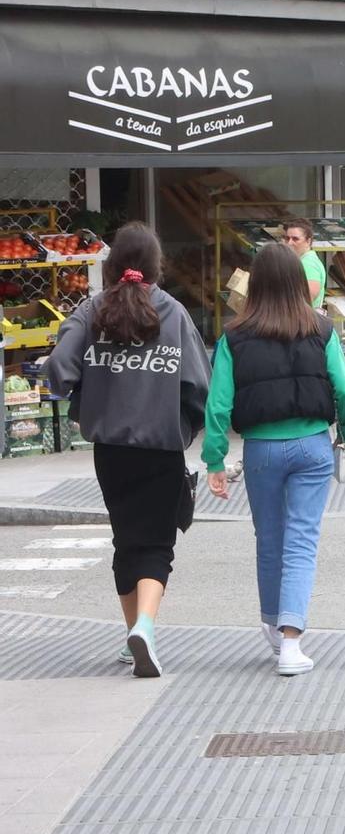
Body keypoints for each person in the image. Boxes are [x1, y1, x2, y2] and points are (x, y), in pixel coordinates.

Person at [44, 223, 211, 678]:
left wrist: (84, 398)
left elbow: (59, 371)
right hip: (160, 446)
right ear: (157, 267)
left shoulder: (92, 309)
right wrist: (188, 426)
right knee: (157, 543)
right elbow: (199, 383)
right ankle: (146, 627)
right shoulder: (173, 312)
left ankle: (132, 634)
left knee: (126, 539)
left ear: (113, 265)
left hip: (111, 449)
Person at [203, 244, 345, 676]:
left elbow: (218, 405)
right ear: (298, 281)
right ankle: (292, 643)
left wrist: (214, 460)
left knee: (269, 537)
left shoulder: (233, 337)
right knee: (301, 541)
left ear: (255, 284)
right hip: (312, 445)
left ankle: (273, 626)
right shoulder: (321, 329)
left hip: (260, 449)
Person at [280, 217, 326, 309]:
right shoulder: (303, 260)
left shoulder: (308, 263)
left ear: (308, 241)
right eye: (287, 238)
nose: (289, 243)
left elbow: (308, 296)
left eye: (295, 239)